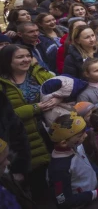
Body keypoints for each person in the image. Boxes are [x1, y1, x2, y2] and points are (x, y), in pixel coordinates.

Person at [0, 45, 56, 200]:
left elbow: (65, 86)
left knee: (59, 173)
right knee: (37, 184)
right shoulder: (3, 84)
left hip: (51, 129)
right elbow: (5, 116)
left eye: (28, 56)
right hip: (25, 139)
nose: (25, 60)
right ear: (7, 60)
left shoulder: (38, 74)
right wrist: (35, 108)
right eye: (19, 57)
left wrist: (58, 97)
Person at [47, 113, 98, 208]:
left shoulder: (77, 146)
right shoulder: (59, 169)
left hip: (93, 190)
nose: (85, 136)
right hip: (84, 203)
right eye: (80, 135)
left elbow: (86, 163)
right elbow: (64, 201)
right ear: (64, 143)